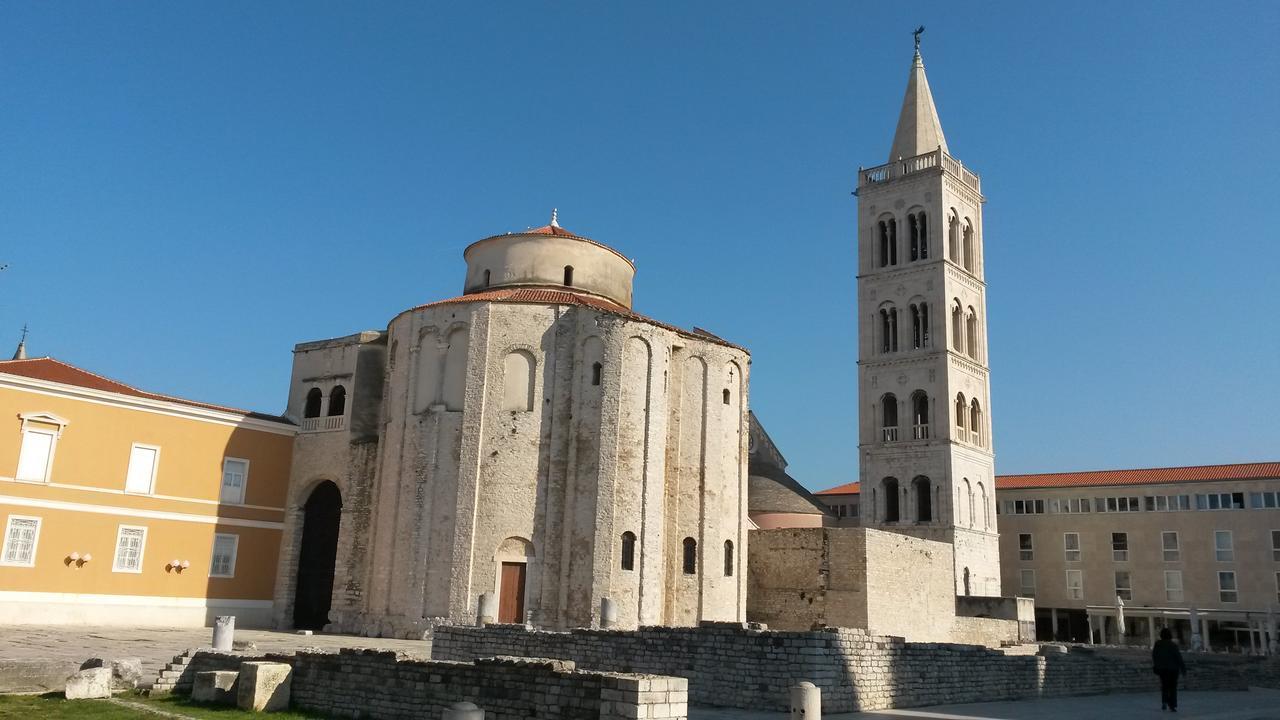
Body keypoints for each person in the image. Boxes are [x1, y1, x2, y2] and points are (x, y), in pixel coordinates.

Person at [1152, 627, 1187, 712]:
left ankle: (1164, 701)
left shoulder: (1157, 644)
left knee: (1164, 686)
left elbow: (1154, 655)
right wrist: (1183, 669)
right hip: (1173, 669)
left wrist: (1157, 665)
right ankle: (1172, 705)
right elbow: (1178, 657)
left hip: (1162, 669)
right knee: (1173, 687)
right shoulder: (1172, 645)